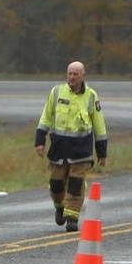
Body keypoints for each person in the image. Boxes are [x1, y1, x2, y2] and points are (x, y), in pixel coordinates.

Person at [34, 60, 108, 233]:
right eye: (69, 73)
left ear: (83, 75)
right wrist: (39, 141)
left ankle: (72, 218)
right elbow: (45, 117)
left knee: (76, 183)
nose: (72, 77)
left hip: (81, 151)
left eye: (75, 74)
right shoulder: (56, 92)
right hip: (59, 149)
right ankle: (60, 207)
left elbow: (99, 125)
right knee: (56, 184)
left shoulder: (91, 96)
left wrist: (102, 153)